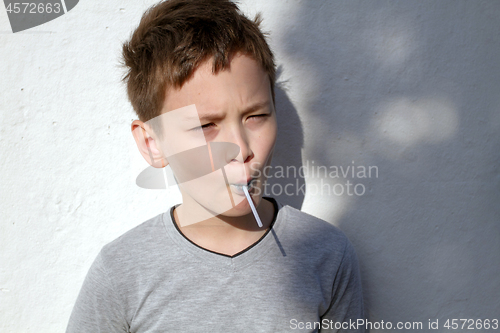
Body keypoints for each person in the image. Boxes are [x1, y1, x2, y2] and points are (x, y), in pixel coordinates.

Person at [66, 0, 365, 332]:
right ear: (153, 143)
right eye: (206, 126)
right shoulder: (121, 273)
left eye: (257, 116)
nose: (240, 149)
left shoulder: (326, 255)